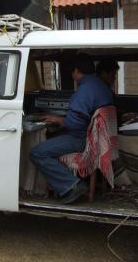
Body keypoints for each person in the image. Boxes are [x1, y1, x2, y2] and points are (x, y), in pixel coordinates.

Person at [30, 53, 114, 204]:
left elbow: (75, 124)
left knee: (37, 152)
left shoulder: (84, 90)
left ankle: (72, 185)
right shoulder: (101, 86)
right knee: (52, 141)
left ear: (76, 71)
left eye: (72, 72)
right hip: (98, 140)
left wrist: (58, 119)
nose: (73, 76)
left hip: (82, 139)